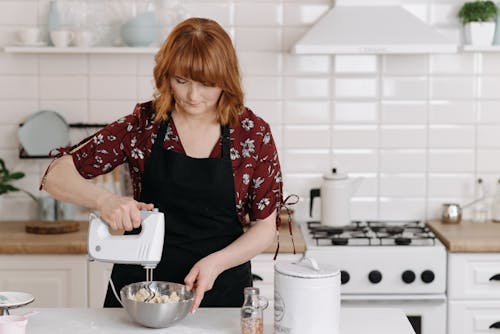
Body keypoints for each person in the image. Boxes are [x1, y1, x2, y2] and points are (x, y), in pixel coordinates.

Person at [40, 17, 287, 313]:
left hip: (221, 288)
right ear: (165, 75)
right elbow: (56, 174)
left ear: (226, 78)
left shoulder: (251, 133)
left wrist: (216, 263)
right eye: (181, 81)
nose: (193, 96)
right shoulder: (144, 125)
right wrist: (105, 200)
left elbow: (265, 227)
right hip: (140, 289)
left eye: (207, 84)